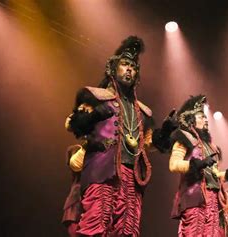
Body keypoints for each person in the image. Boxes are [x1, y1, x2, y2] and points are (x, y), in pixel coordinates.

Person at [66, 35, 175, 236]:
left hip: (131, 176)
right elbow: (72, 123)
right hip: (103, 169)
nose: (129, 70)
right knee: (97, 223)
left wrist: (166, 132)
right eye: (125, 65)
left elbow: (148, 143)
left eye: (133, 67)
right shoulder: (97, 97)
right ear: (113, 69)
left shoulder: (143, 111)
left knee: (127, 229)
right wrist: (95, 115)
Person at [168, 95, 227, 236]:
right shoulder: (184, 138)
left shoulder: (211, 146)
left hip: (212, 199)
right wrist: (196, 164)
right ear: (190, 120)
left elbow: (214, 173)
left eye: (205, 117)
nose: (206, 119)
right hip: (194, 197)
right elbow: (173, 164)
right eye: (201, 117)